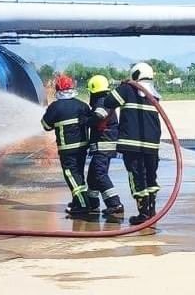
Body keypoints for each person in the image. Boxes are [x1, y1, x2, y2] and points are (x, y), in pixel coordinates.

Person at [100, 62, 162, 224]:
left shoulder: (128, 89)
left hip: (132, 144)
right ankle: (151, 211)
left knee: (136, 177)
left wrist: (123, 86)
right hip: (152, 145)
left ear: (135, 75)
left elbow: (108, 102)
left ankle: (143, 213)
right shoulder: (154, 94)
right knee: (150, 177)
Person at [41, 74, 95, 216]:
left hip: (67, 149)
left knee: (71, 174)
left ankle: (83, 205)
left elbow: (46, 125)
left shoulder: (55, 107)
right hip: (83, 147)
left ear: (58, 89)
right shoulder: (82, 105)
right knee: (78, 174)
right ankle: (77, 201)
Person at [85, 74, 125, 218]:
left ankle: (115, 204)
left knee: (100, 175)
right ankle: (92, 203)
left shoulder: (103, 102)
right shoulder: (104, 101)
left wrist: (85, 121)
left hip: (104, 145)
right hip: (101, 145)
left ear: (93, 90)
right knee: (92, 177)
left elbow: (98, 116)